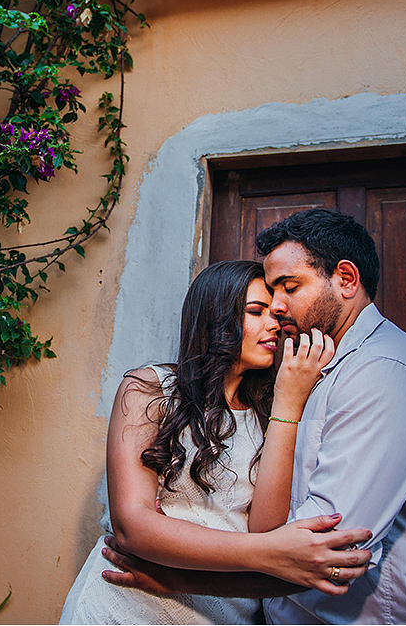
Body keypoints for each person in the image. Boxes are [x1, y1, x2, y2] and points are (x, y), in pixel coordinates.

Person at [102, 209, 406, 624]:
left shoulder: (388, 374)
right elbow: (275, 544)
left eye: (288, 287)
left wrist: (178, 579)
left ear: (346, 279)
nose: (277, 309)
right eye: (261, 302)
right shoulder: (305, 372)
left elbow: (319, 554)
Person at [60, 259, 373, 625]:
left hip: (223, 611)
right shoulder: (150, 389)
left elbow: (265, 527)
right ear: (215, 316)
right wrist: (274, 553)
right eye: (256, 312)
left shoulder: (270, 411)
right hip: (128, 603)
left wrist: (289, 402)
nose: (275, 323)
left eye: (275, 314)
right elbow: (132, 527)